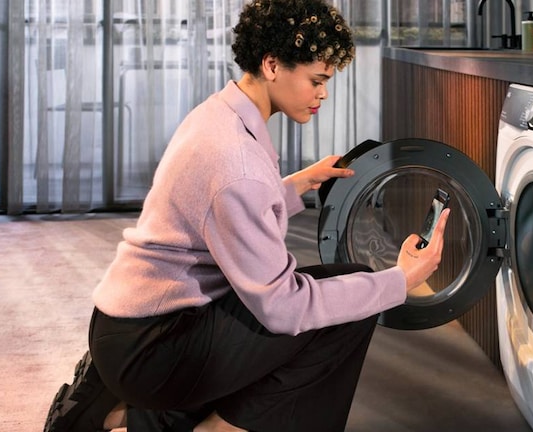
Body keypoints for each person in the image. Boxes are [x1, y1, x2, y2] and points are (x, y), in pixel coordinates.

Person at [44, 1, 450, 431]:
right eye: (316, 80)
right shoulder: (237, 161)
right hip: (153, 348)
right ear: (272, 64)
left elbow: (222, 216)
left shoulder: (220, 114)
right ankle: (215, 427)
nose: (323, 93)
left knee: (348, 281)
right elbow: (283, 307)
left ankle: (122, 411)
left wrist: (297, 184)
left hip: (131, 326)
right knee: (347, 305)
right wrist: (399, 281)